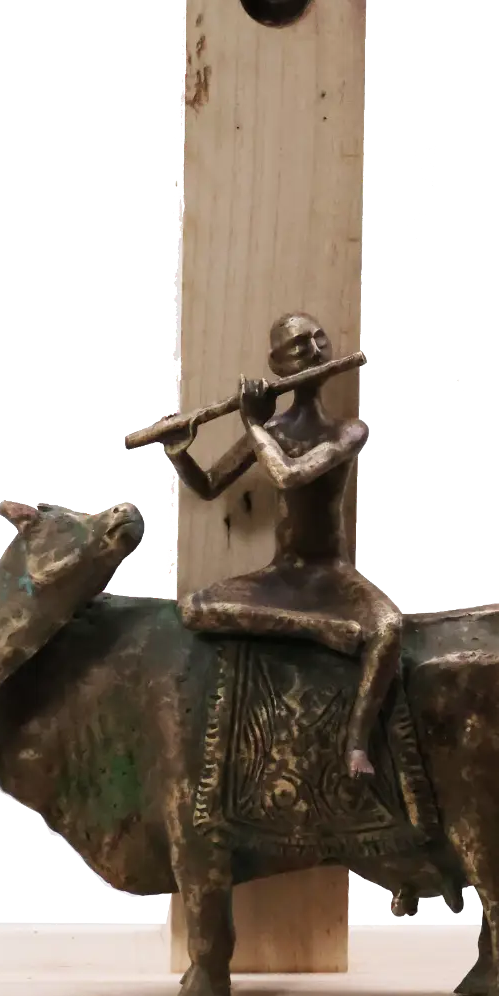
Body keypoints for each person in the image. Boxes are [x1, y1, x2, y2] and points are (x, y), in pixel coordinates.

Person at [161, 311, 402, 779]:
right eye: (297, 346)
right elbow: (208, 485)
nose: (313, 350)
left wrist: (253, 425)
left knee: (389, 627)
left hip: (329, 574)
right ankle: (319, 628)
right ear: (278, 366)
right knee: (192, 609)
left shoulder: (348, 430)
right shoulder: (272, 433)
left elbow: (290, 475)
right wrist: (178, 451)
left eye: (319, 339)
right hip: (282, 575)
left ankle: (357, 742)